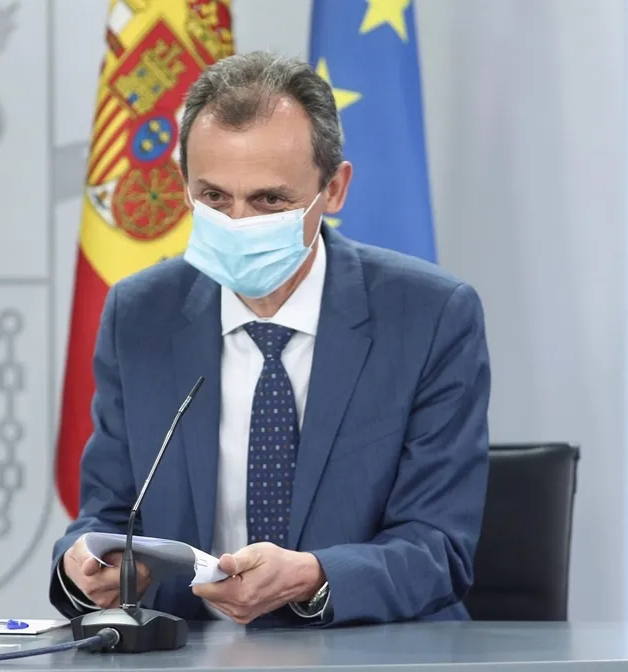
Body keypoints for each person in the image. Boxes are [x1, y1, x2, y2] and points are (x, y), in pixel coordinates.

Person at [49, 51, 490, 627]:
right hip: (190, 653)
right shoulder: (141, 313)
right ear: (184, 186)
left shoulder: (430, 316)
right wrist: (88, 567)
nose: (237, 222)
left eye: (268, 200)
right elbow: (105, 514)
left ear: (333, 189)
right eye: (213, 197)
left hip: (370, 654)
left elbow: (439, 549)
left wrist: (316, 575)